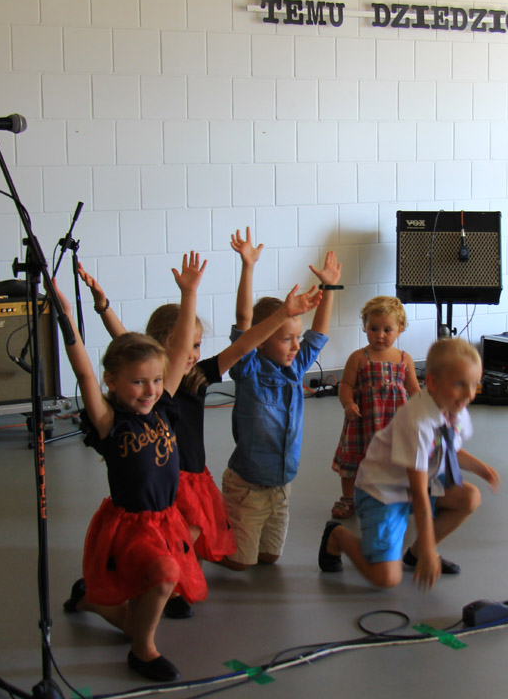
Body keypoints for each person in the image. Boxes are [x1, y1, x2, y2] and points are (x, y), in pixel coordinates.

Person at [76, 246, 323, 618]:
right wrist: (104, 307)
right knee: (169, 535)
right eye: (186, 345)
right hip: (168, 477)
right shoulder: (158, 388)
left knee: (191, 534)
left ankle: (173, 581)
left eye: (196, 345)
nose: (192, 353)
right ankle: (163, 586)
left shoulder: (201, 375)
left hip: (194, 475)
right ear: (164, 347)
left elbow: (244, 343)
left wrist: (284, 315)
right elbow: (124, 341)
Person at [54, 252, 206, 683]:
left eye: (155, 380)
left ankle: (89, 601)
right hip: (130, 525)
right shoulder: (110, 422)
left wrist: (189, 294)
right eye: (138, 382)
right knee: (165, 575)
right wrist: (65, 316)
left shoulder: (164, 407)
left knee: (134, 615)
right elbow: (84, 372)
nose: (150, 390)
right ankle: (143, 651)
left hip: (165, 520)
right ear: (113, 382)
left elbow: (179, 349)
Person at [318, 338, 500, 589]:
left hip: (418, 483)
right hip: (383, 492)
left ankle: (414, 553)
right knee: (386, 578)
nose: (469, 394)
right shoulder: (417, 421)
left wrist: (482, 469)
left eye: (474, 384)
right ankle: (337, 535)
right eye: (460, 384)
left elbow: (448, 448)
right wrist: (429, 550)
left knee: (470, 497)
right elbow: (419, 491)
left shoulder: (454, 408)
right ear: (432, 382)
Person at [220, 235, 342, 570]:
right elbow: (243, 324)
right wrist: (248, 267)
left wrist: (329, 287)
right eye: (286, 338)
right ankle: (207, 540)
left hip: (281, 485)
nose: (295, 346)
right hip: (247, 486)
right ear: (260, 341)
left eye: (295, 337)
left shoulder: (294, 369)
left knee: (269, 558)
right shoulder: (249, 369)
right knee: (241, 564)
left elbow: (317, 335)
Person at [331, 296, 421, 519]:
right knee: (354, 461)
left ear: (400, 329)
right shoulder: (358, 358)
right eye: (373, 328)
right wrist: (348, 403)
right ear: (365, 326)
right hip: (363, 423)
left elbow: (413, 388)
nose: (380, 335)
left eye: (387, 330)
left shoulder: (405, 359)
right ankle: (348, 498)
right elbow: (346, 385)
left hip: (395, 424)